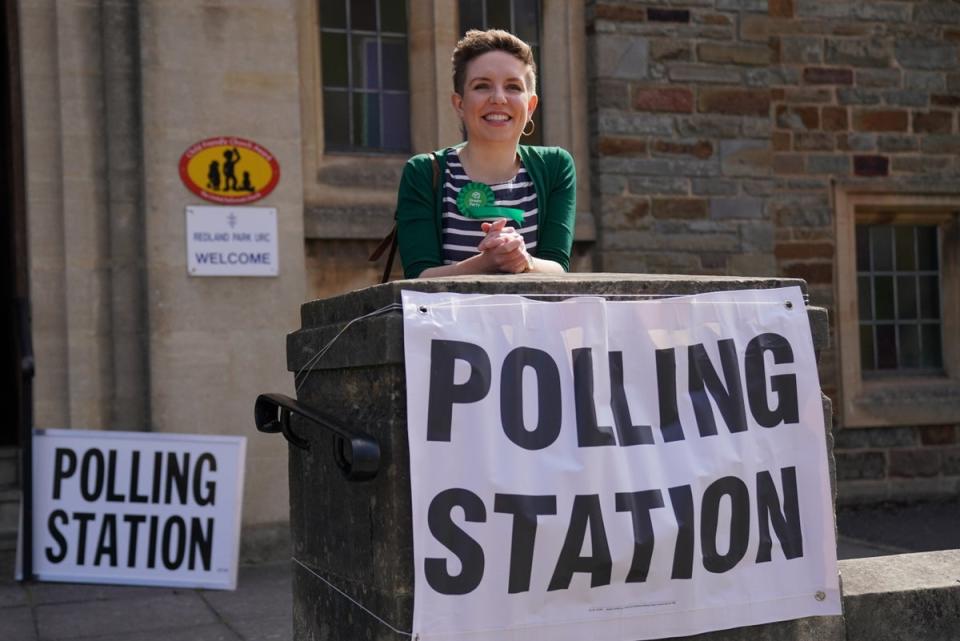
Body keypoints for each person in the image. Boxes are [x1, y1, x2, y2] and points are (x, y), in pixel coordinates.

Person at [395, 29, 576, 279]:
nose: (499, 98)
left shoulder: (556, 167)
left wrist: (524, 260)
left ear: (531, 106)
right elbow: (419, 276)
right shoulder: (424, 172)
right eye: (482, 86)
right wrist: (485, 263)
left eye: (513, 87)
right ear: (460, 104)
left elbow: (558, 267)